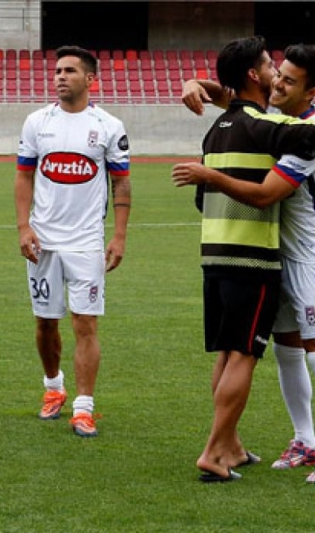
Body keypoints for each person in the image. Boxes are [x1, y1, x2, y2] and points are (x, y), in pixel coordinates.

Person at [170, 36, 315, 482]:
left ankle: (226, 446)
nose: (278, 81)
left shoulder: (278, 132)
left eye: (288, 79)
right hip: (259, 256)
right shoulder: (270, 123)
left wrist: (210, 174)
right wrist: (198, 83)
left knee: (263, 352)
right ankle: (296, 441)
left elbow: (262, 193)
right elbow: (245, 110)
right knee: (269, 352)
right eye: (275, 71)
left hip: (286, 257)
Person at [13, 45, 131, 438]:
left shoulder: (109, 126)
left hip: (86, 242)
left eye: (70, 71)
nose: (61, 77)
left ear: (90, 79)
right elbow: (24, 176)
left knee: (85, 322)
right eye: (58, 71)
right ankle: (53, 388)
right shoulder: (37, 122)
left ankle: (84, 408)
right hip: (43, 240)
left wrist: (118, 235)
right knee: (46, 322)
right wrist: (23, 227)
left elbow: (121, 183)